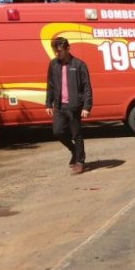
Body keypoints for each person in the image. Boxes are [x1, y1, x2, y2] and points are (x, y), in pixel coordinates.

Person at [45, 37, 92, 174]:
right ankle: (74, 151)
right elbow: (50, 85)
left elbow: (87, 87)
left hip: (74, 106)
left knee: (76, 134)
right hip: (59, 106)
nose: (57, 54)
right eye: (55, 51)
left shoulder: (79, 65)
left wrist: (86, 106)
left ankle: (80, 161)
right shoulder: (53, 65)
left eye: (59, 51)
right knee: (57, 131)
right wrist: (48, 103)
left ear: (67, 49)